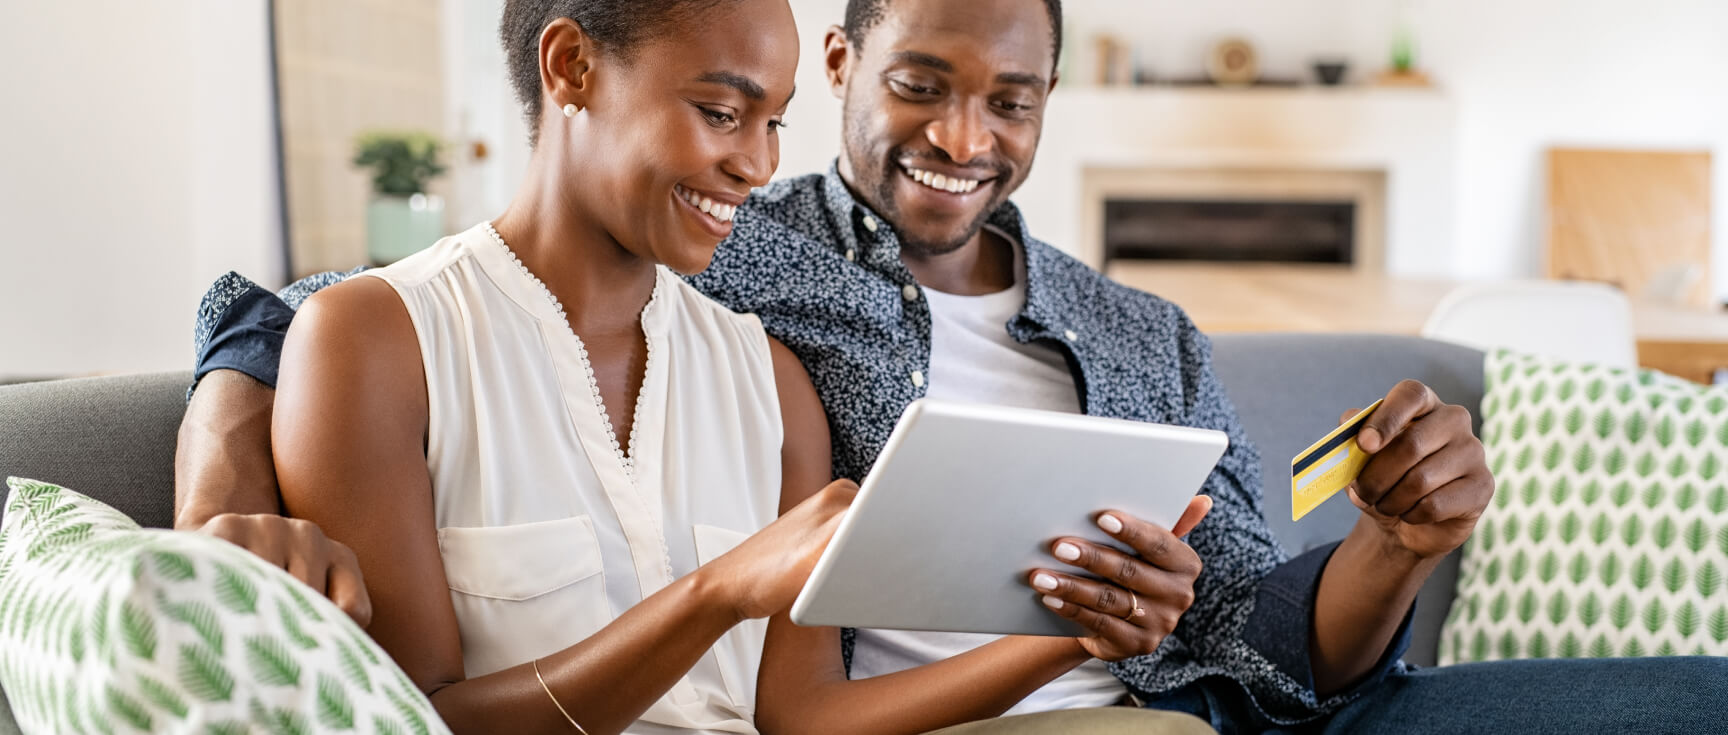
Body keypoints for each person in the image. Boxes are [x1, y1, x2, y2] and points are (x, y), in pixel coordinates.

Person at [180, 0, 1728, 733]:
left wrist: (1391, 541)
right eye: (923, 83)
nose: (966, 141)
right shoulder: (741, 246)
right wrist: (224, 493)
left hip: (1225, 720)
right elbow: (298, 306)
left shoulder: (1143, 336)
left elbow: (1266, 632)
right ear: (846, 64)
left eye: (1015, 101)